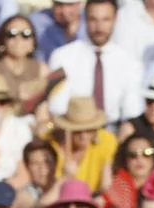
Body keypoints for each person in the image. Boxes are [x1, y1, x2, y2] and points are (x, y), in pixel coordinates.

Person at [49, 0, 144, 128]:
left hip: (113, 130)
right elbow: (57, 106)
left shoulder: (130, 62)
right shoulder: (62, 57)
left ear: (115, 20)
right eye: (93, 19)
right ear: (85, 19)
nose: (99, 28)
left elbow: (132, 110)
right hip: (72, 128)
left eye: (105, 20)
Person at [48, 97, 117, 193]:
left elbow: (106, 185)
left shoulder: (106, 140)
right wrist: (64, 178)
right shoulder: (51, 145)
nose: (83, 136)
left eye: (89, 130)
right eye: (77, 131)